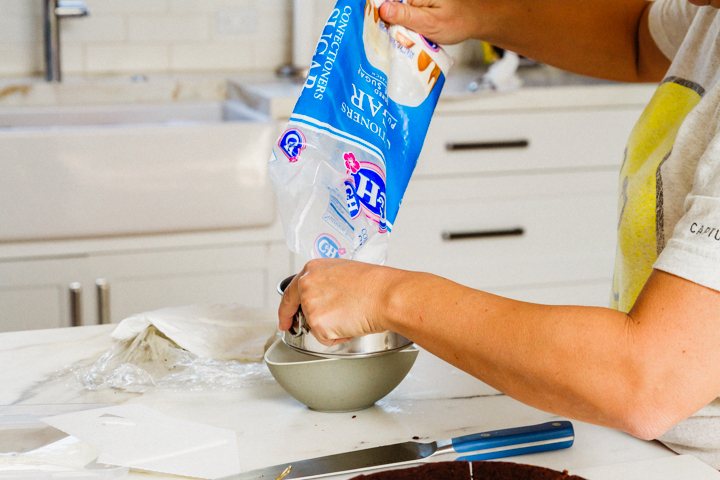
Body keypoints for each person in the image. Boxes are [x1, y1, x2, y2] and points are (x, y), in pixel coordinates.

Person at [279, 0, 720, 468]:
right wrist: (476, 16)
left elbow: (648, 378)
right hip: (653, 450)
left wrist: (387, 297)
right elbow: (635, 38)